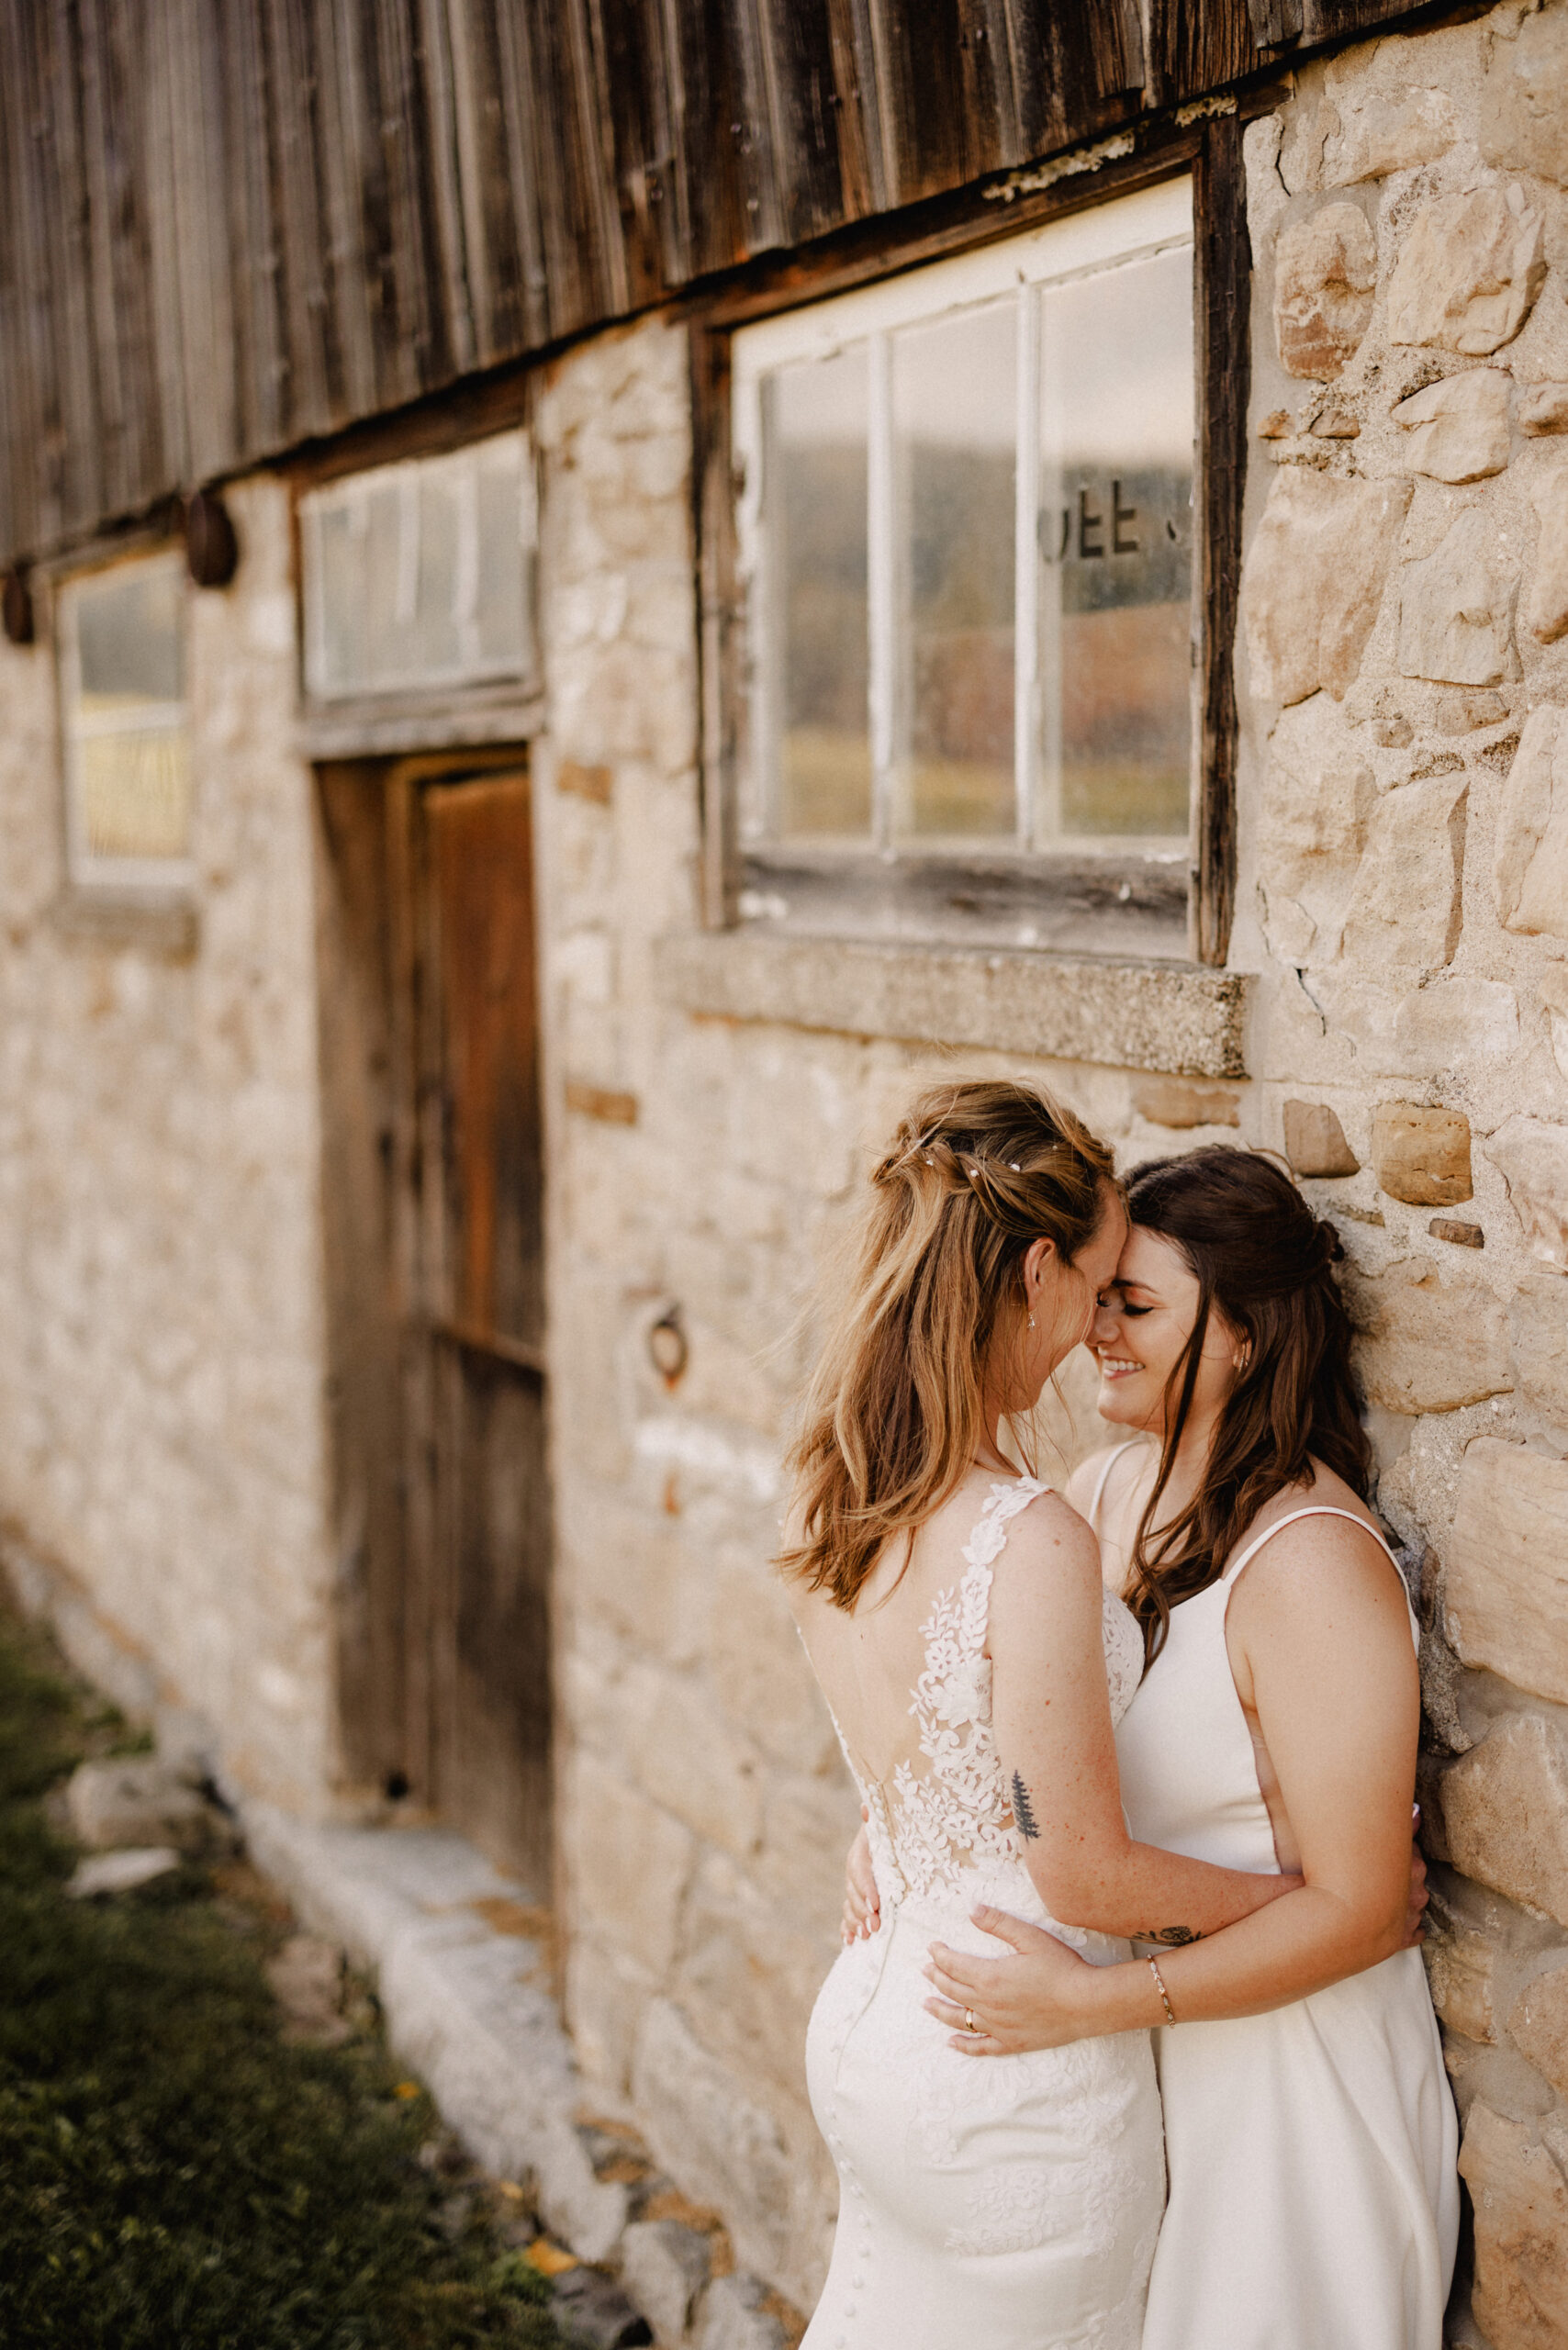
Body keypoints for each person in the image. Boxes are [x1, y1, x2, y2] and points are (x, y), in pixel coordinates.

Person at [783, 1086, 1342, 2350]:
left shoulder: (836, 1484)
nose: (1101, 1324)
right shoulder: (1025, 1532)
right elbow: (1080, 1874)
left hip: (881, 2016)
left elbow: (923, 1753)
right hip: (1013, 2083)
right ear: (1036, 1271)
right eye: (1098, 1285)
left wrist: (895, 1830)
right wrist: (1304, 1901)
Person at [919, 1146, 1459, 2350]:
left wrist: (1091, 2005)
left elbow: (1368, 1911)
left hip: (1290, 2093)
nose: (1098, 1331)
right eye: (1099, 1299)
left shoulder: (1312, 1560)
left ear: (1245, 1337)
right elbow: (1015, 1744)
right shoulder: (1104, 1494)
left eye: (1137, 1305)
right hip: (1143, 2074)